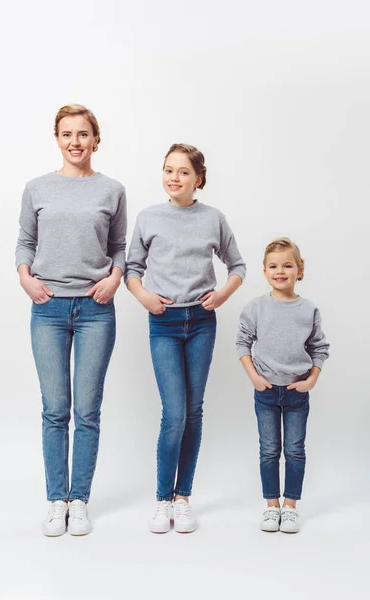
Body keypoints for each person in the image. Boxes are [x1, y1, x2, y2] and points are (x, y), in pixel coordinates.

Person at [15, 104, 127, 536]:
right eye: (67, 134)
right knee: (54, 410)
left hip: (96, 309)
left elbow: (119, 246)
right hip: (48, 308)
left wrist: (115, 278)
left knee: (88, 411)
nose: (75, 142)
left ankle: (79, 500)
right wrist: (25, 278)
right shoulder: (36, 188)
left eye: (83, 134)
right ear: (57, 139)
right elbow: (25, 240)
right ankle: (55, 499)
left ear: (95, 140)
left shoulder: (111, 189)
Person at [125, 143, 246, 533]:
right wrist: (144, 297)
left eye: (182, 172)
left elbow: (237, 265)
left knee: (193, 412)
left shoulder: (213, 218)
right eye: (168, 170)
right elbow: (131, 269)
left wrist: (222, 294)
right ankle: (162, 499)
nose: (173, 178)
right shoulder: (148, 217)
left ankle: (183, 497)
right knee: (173, 412)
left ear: (198, 179)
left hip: (201, 322)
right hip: (163, 323)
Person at [236, 238, 329, 533]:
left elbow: (319, 347)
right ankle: (271, 505)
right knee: (269, 450)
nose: (280, 271)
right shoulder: (256, 308)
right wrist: (254, 377)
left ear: (299, 270)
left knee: (294, 450)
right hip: (265, 391)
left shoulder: (308, 310)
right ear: (264, 271)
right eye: (273, 266)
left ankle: (290, 507)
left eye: (287, 265)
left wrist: (311, 379)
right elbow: (242, 342)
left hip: (296, 393)